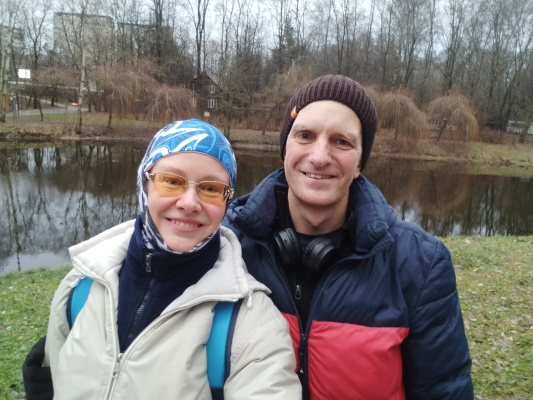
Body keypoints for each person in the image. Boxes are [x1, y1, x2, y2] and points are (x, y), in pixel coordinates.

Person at [223, 75, 474, 399]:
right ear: (284, 149)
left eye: (342, 142)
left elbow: (443, 390)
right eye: (305, 136)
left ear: (359, 164)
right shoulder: (227, 245)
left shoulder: (420, 265)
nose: (319, 157)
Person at [25, 119, 301, 399]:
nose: (189, 203)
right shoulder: (81, 286)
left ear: (226, 200)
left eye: (211, 189)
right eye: (172, 181)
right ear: (144, 183)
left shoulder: (252, 324)